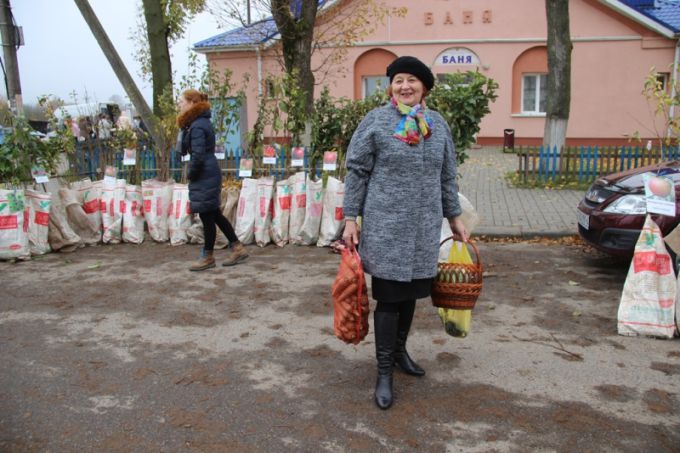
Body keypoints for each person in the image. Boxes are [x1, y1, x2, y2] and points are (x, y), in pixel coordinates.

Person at [342, 56, 469, 410]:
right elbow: (357, 171)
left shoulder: (437, 125)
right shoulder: (377, 121)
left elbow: (447, 176)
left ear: (424, 87)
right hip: (387, 225)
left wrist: (454, 216)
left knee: (412, 292)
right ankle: (383, 371)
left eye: (412, 80)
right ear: (390, 87)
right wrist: (350, 218)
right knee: (389, 295)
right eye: (399, 80)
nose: (405, 86)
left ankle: (399, 353)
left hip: (424, 226)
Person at [177, 89, 249, 271]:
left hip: (204, 174)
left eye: (182, 101)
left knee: (207, 215)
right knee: (213, 213)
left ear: (192, 103)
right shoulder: (197, 123)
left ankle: (207, 256)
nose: (180, 104)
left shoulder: (198, 125)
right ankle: (237, 247)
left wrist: (191, 174)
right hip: (208, 172)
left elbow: (198, 154)